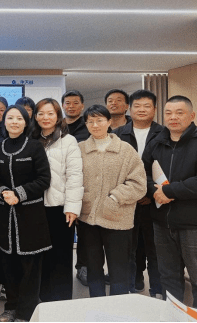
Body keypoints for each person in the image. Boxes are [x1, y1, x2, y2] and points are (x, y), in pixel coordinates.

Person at [143, 96, 197, 311]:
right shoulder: (156, 142)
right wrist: (155, 191)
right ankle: (172, 316)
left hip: (195, 224)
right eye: (169, 113)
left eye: (179, 113)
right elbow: (142, 174)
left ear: (192, 116)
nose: (173, 117)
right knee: (168, 278)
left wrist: (169, 191)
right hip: (162, 223)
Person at [78, 105, 147, 298]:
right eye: (90, 121)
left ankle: (119, 307)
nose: (95, 125)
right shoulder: (80, 149)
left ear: (109, 122)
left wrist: (115, 197)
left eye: (99, 120)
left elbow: (139, 184)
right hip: (88, 218)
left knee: (119, 269)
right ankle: (97, 303)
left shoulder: (125, 150)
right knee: (93, 268)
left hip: (118, 217)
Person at [0, 105, 52, 323]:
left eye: (19, 118)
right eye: (10, 118)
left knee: (30, 268)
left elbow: (44, 179)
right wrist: (3, 192)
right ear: (4, 122)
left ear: (26, 122)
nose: (14, 122)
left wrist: (19, 194)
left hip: (30, 216)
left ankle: (26, 312)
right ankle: (10, 307)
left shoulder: (34, 146)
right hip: (5, 215)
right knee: (9, 266)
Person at [32, 99, 84, 303]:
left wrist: (72, 207)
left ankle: (61, 301)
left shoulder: (68, 141)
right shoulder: (31, 139)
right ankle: (43, 299)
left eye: (50, 113)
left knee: (61, 256)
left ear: (58, 116)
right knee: (40, 256)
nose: (45, 118)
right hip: (34, 207)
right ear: (35, 117)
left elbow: (75, 175)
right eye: (41, 113)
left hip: (60, 207)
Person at [113, 90, 163, 298]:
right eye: (137, 106)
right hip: (127, 202)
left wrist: (150, 193)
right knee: (127, 249)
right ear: (130, 109)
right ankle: (130, 288)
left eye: (147, 106)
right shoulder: (117, 134)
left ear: (155, 109)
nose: (142, 110)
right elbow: (113, 169)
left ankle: (159, 291)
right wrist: (131, 193)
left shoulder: (164, 134)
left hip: (156, 201)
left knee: (156, 249)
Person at [61, 90, 90, 286]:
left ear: (82, 106)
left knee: (85, 231)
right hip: (61, 187)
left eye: (75, 103)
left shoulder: (88, 126)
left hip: (85, 185)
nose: (71, 106)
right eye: (67, 103)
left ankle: (83, 267)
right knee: (65, 231)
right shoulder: (58, 126)